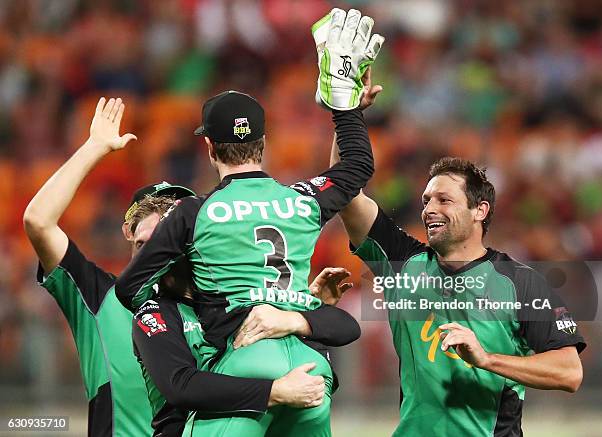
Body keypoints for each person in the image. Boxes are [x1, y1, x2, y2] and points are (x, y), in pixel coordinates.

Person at [22, 96, 360, 437]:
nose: (158, 251)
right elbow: (38, 222)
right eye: (146, 242)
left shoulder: (219, 300)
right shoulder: (99, 296)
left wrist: (296, 312)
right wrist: (94, 147)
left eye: (168, 240)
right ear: (129, 234)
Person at [116, 8, 383, 436]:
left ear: (208, 147)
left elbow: (130, 288)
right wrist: (345, 107)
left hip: (246, 358)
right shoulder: (302, 200)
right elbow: (357, 166)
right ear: (263, 142)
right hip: (309, 360)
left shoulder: (193, 212)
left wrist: (172, 302)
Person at [330, 143, 587, 435]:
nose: (429, 209)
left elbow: (569, 372)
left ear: (479, 210)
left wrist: (486, 360)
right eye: (426, 200)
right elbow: (345, 190)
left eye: (444, 200)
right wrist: (345, 109)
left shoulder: (519, 283)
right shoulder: (403, 264)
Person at [126, 194, 360, 436]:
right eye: (142, 245)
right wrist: (276, 391)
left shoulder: (234, 295)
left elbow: (347, 328)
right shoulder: (154, 312)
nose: (150, 254)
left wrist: (298, 315)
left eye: (159, 240)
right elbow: (180, 386)